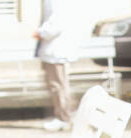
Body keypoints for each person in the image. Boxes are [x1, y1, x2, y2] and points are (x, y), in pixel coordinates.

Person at [34, 0, 92, 131]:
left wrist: (41, 33)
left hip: (56, 50)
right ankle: (63, 116)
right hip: (56, 50)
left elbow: (55, 24)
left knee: (58, 85)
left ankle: (63, 117)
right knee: (58, 85)